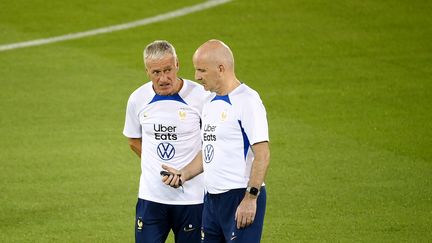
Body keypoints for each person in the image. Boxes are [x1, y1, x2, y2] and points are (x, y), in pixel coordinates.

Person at [162, 39, 270, 243]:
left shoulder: (247, 101)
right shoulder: (209, 102)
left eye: (202, 70)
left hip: (239, 196)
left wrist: (251, 197)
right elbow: (209, 150)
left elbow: (262, 153)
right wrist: (184, 173)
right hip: (211, 199)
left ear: (221, 68)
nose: (197, 77)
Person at [123, 40, 210, 243]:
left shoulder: (201, 97)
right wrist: (153, 164)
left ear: (177, 64)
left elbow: (212, 143)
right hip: (152, 197)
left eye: (168, 70)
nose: (163, 78)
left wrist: (187, 172)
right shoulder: (137, 99)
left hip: (193, 198)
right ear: (147, 71)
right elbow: (133, 140)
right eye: (156, 73)